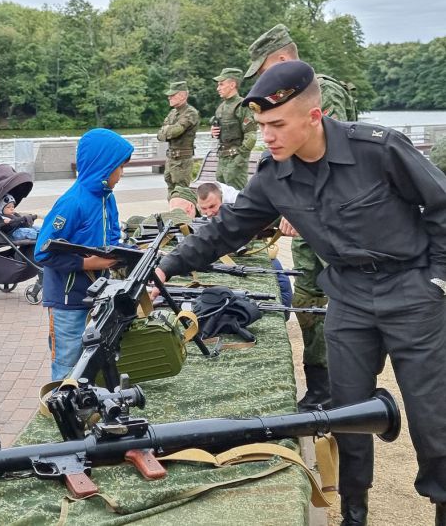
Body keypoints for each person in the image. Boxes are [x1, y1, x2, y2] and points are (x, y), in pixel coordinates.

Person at [153, 60, 446, 526]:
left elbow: (441, 205)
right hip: (347, 297)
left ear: (314, 116)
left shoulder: (378, 149)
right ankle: (354, 512)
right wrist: (166, 266)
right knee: (349, 414)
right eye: (260, 125)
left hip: (411, 291)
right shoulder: (274, 175)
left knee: (435, 418)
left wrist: (438, 279)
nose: (265, 136)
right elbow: (226, 229)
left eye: (276, 124)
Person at [244, 23, 359, 412]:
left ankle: (342, 390)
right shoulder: (284, 96)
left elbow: (332, 157)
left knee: (339, 299)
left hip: (335, 221)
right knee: (310, 300)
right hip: (310, 219)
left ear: (280, 58)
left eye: (262, 69)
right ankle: (320, 388)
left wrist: (300, 205)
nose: (262, 78)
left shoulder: (322, 91)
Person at [34, 128, 133, 380]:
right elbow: (42, 252)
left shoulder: (107, 198)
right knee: (67, 361)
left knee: (92, 358)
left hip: (97, 296)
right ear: (103, 166)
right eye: (119, 168)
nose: (121, 175)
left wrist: (126, 256)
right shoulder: (72, 203)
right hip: (67, 301)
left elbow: (112, 238)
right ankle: (61, 407)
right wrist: (86, 262)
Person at [195, 181, 293, 308]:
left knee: (281, 281)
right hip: (225, 256)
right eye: (204, 209)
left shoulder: (238, 203)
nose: (208, 213)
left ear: (222, 199)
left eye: (213, 206)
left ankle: (283, 310)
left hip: (257, 236)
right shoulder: (205, 203)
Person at [210, 68, 258, 190]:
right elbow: (221, 131)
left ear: (232, 85)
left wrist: (239, 159)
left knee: (237, 198)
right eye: (218, 85)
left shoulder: (243, 106)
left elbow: (251, 136)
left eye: (221, 84)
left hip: (236, 160)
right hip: (222, 159)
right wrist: (214, 132)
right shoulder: (221, 108)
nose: (218, 88)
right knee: (223, 197)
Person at [157, 81, 200, 199]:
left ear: (182, 95)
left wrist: (166, 130)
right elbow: (159, 135)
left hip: (182, 160)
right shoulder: (173, 113)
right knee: (170, 190)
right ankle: (173, 214)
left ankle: (182, 216)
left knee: (181, 193)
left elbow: (176, 131)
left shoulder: (190, 112)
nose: (169, 97)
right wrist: (167, 131)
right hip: (171, 158)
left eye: (172, 95)